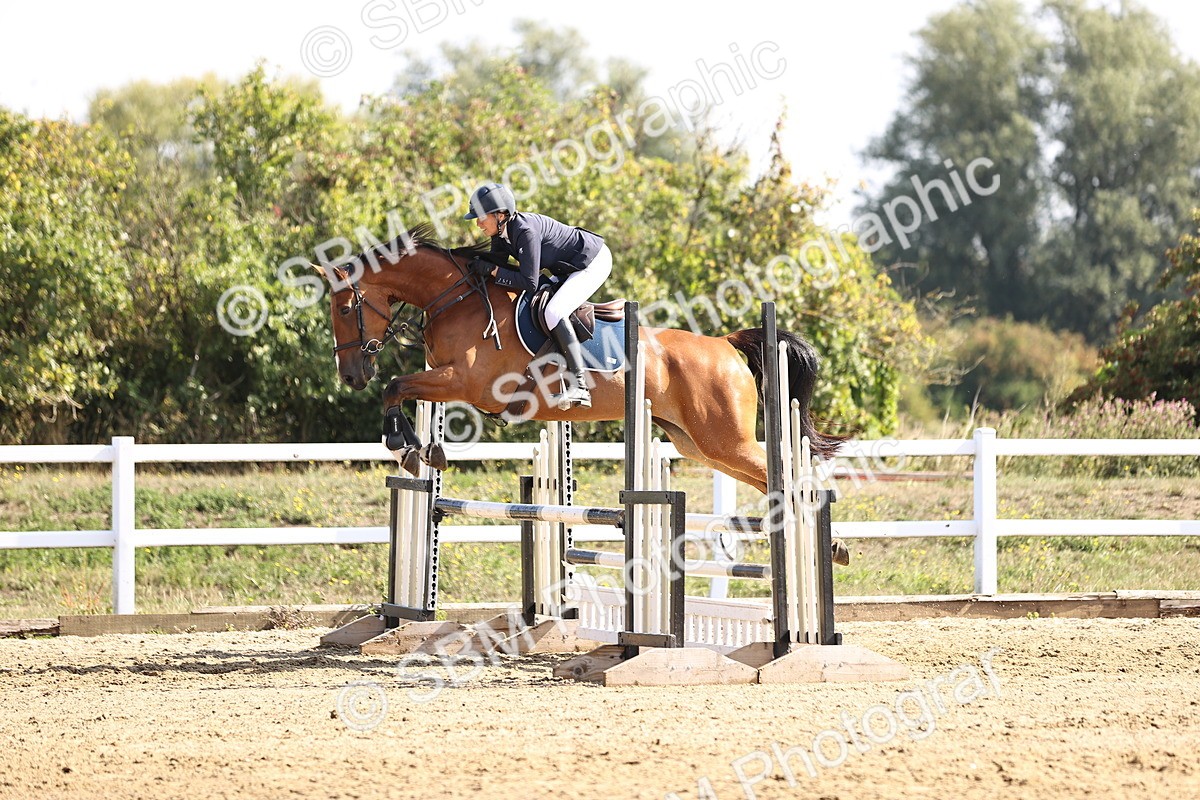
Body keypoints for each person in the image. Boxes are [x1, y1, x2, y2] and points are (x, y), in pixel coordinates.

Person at [464, 182, 612, 410]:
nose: (478, 223)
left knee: (554, 311)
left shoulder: (524, 231)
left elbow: (529, 282)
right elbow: (497, 265)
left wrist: (492, 271)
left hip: (591, 262)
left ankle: (580, 386)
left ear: (501, 214)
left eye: (482, 217)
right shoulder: (502, 233)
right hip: (567, 268)